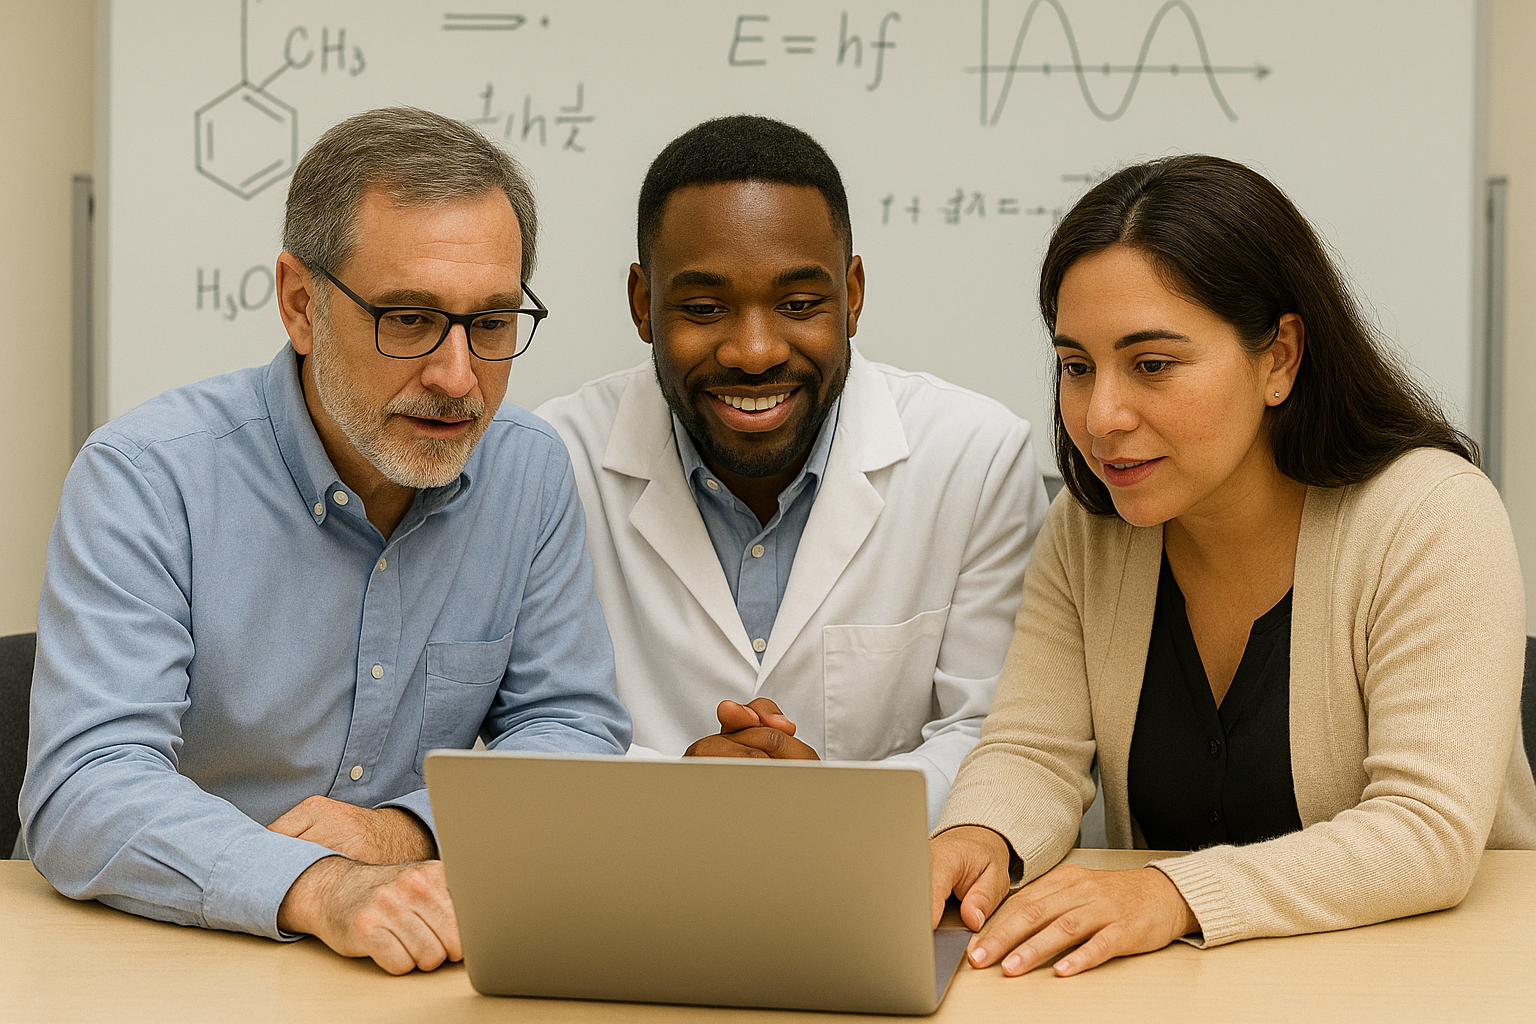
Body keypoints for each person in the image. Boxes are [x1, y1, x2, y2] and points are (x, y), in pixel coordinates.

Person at [20, 107, 631, 974]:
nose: (459, 378)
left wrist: (406, 830)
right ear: (301, 305)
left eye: (492, 324)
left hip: (410, 954)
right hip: (170, 954)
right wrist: (322, 884)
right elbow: (83, 789)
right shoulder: (148, 475)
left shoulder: (527, 473)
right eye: (410, 319)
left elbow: (571, 728)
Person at [931, 153, 1536, 977]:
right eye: (1077, 366)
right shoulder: (1090, 527)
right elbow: (1033, 752)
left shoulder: (1430, 514)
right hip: (1189, 989)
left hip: (1426, 978)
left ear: (1279, 357)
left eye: (1152, 365)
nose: (1101, 416)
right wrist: (980, 837)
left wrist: (1170, 894)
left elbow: (1425, 829)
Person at [536, 115, 1047, 825]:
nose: (753, 351)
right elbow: (523, 727)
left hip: (880, 897)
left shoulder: (977, 455)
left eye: (800, 304)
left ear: (854, 295)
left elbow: (995, 736)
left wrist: (829, 809)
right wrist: (670, 797)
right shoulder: (550, 459)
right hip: (627, 894)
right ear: (642, 305)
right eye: (705, 307)